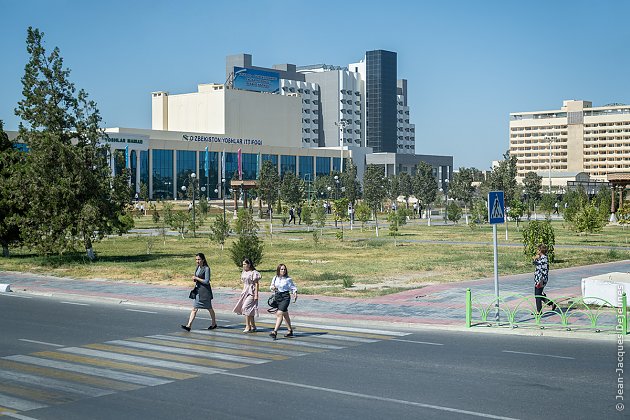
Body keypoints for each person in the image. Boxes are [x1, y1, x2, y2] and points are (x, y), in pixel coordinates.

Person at [181, 253, 217, 331]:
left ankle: (214, 323)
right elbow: (198, 278)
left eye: (199, 259)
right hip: (198, 291)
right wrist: (195, 279)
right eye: (196, 259)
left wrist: (197, 278)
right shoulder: (198, 267)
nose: (197, 261)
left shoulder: (206, 268)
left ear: (203, 260)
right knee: (194, 308)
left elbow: (207, 281)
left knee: (209, 308)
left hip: (205, 292)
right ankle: (189, 325)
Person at [269, 263, 298, 340]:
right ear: (278, 270)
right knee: (285, 314)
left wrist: (295, 294)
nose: (283, 270)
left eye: (284, 269)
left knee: (279, 313)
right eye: (281, 269)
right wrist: (273, 288)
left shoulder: (288, 279)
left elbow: (293, 288)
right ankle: (290, 331)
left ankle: (275, 331)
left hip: (285, 297)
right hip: (278, 297)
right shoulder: (275, 278)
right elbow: (271, 286)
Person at [233, 258, 261, 332]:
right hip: (245, 292)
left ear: (249, 264)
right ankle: (253, 326)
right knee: (249, 309)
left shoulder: (254, 272)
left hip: (252, 292)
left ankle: (247, 326)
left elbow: (256, 283)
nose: (243, 266)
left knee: (245, 307)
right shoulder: (244, 272)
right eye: (243, 264)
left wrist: (256, 294)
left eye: (245, 264)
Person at [533, 244, 556, 313]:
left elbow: (544, 270)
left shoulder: (544, 258)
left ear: (540, 250)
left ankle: (539, 312)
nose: (537, 251)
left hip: (541, 279)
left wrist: (541, 281)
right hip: (538, 279)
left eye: (538, 249)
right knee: (538, 295)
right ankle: (551, 303)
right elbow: (536, 264)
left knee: (537, 296)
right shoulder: (541, 257)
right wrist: (536, 259)